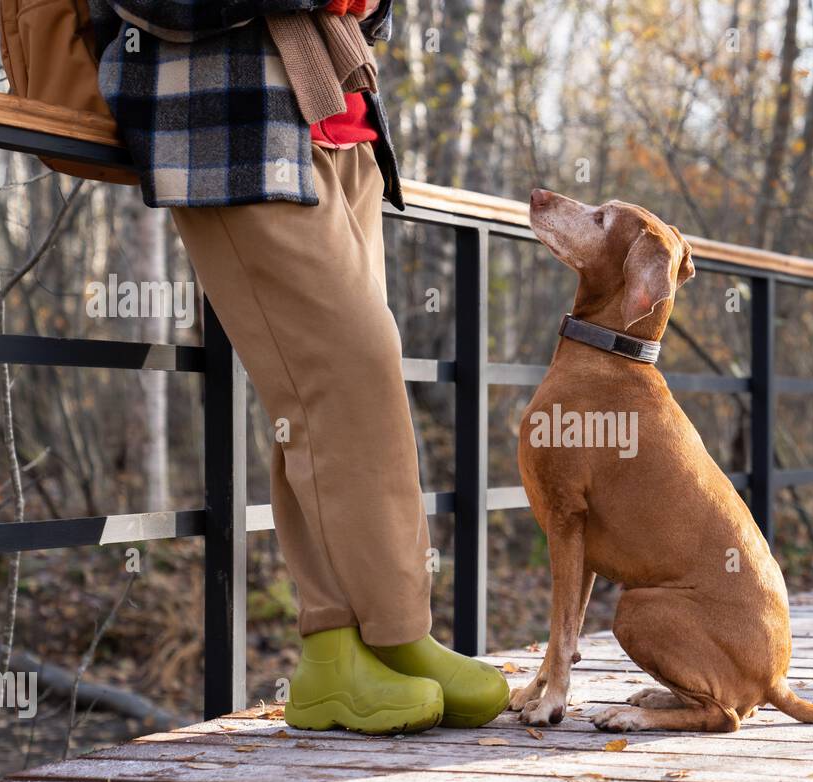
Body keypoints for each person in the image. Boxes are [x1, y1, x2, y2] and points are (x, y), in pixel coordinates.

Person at [89, 0, 508, 733]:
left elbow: (373, 21)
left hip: (342, 126)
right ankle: (399, 632)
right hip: (229, 128)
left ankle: (340, 653)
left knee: (318, 397)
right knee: (356, 370)